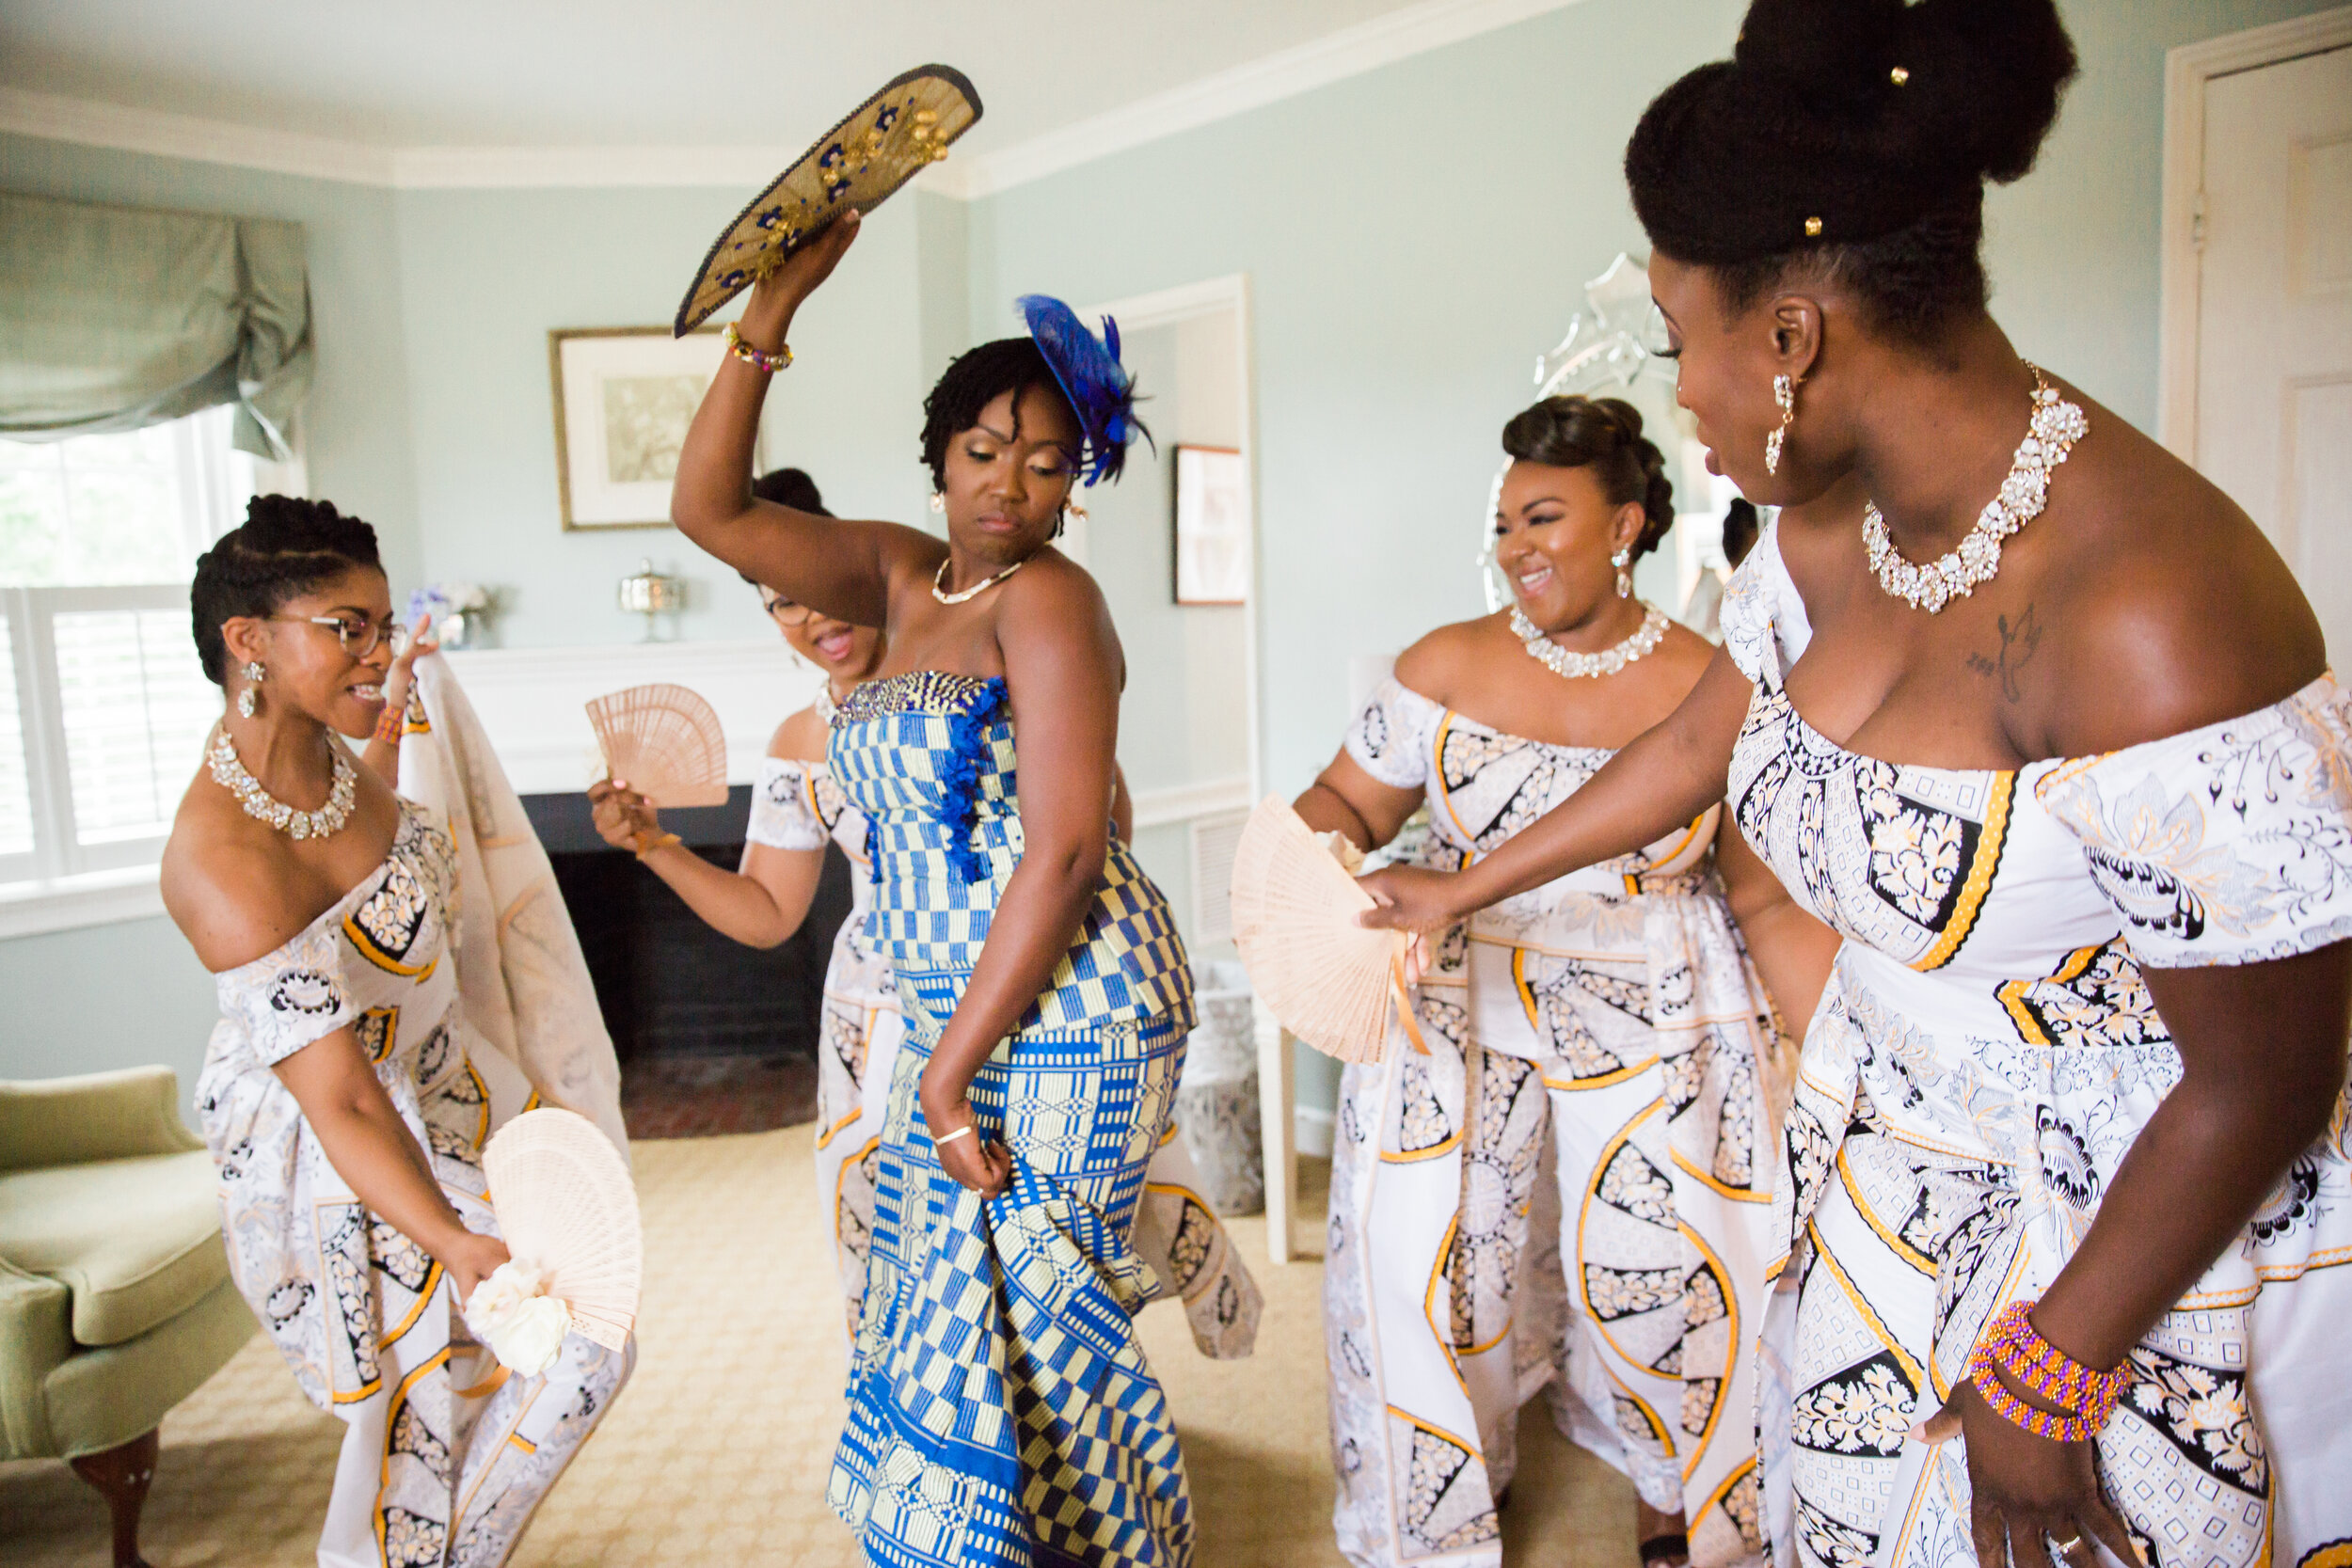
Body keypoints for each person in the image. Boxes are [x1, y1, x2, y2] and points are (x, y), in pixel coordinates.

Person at [1359, 3, 2352, 1565]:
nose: (1677, 393)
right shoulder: (1828, 528)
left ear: (1789, 339)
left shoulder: (2152, 609)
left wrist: (2055, 1362)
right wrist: (1464, 879)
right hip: (1877, 1178)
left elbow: (2266, 1076)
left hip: (2108, 1263)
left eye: (1680, 341)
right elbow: (1709, 739)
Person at [670, 213, 1205, 1565]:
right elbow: (710, 512)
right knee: (949, 1316)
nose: (1008, 487)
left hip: (1076, 1008)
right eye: (982, 452)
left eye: (1045, 462)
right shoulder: (897, 574)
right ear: (939, 458)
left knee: (1047, 1338)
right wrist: (769, 313)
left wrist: (944, 1075)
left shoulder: (1052, 603)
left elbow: (1069, 850)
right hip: (955, 1002)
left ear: (1076, 481)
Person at [1302, 395, 1836, 1568]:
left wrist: (1840, 1064)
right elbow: (1343, 802)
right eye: (1501, 524)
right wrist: (1312, 867)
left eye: (1542, 515)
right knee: (1445, 1263)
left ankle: (1676, 1502)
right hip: (1454, 994)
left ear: (1627, 522)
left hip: (1652, 998)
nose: (1514, 546)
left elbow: (1759, 893)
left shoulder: (1712, 679)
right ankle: (1434, 1522)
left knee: (1659, 1275)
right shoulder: (1442, 663)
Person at [591, 469, 1259, 1362]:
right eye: (780, 606)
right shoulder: (800, 742)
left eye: (821, 592)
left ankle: (1064, 1443)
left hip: (1029, 986)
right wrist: (655, 847)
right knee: (900, 1256)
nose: (813, 620)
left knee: (1046, 1246)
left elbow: (1103, 834)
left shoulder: (994, 673)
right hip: (875, 1024)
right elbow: (765, 912)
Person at [164, 496, 628, 1568]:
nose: (380, 647)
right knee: (568, 1347)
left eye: (382, 620)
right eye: (347, 627)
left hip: (443, 1090)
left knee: (442, 1411)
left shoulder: (330, 764)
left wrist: (378, 722)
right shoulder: (219, 858)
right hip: (331, 1148)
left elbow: (357, 862)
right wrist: (458, 1240)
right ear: (250, 643)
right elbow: (340, 1098)